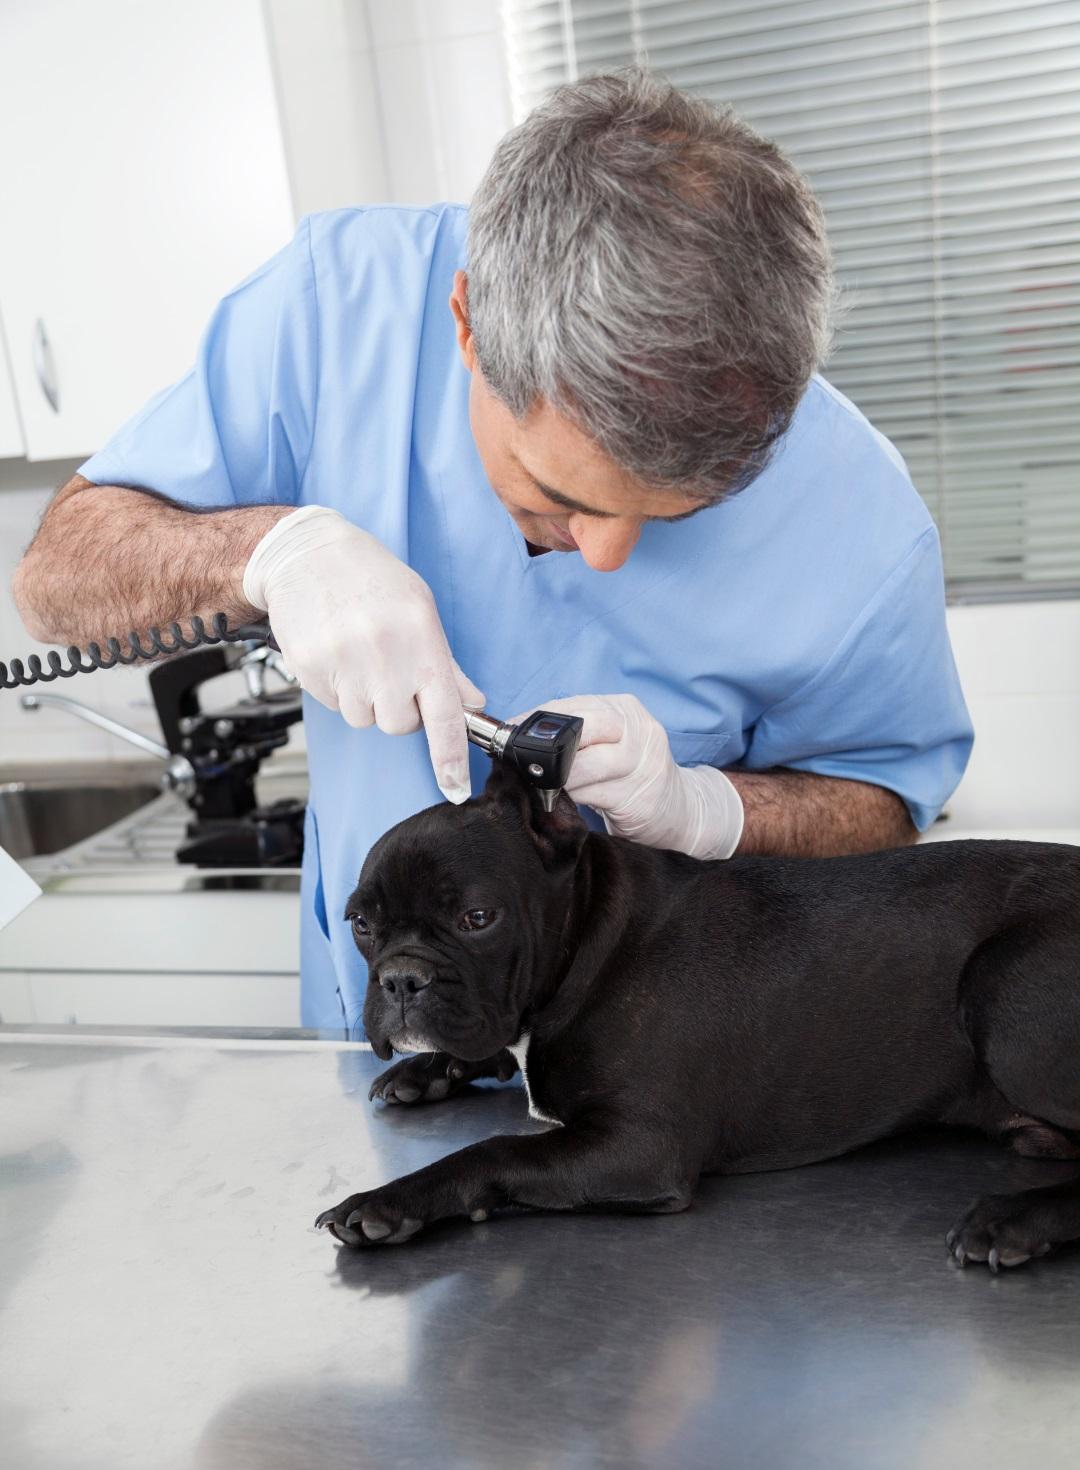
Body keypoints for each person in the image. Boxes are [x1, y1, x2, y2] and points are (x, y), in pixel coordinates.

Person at [13, 70, 972, 1033]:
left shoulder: (862, 517)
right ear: (468, 325)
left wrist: (710, 811)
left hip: (677, 1071)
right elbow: (57, 582)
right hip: (379, 1039)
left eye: (678, 515)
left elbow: (884, 806)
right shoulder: (334, 312)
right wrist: (267, 553)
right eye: (560, 498)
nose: (604, 558)